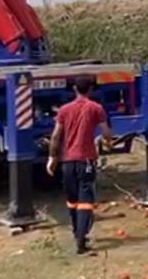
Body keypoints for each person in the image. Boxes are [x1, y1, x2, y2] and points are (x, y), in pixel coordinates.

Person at [47, 74, 113, 254]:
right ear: (91, 89)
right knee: (86, 200)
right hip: (86, 160)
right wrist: (108, 141)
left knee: (72, 200)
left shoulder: (64, 110)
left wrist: (52, 158)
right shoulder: (96, 108)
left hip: (67, 161)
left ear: (74, 89)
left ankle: (77, 231)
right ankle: (81, 239)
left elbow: (55, 136)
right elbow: (106, 132)